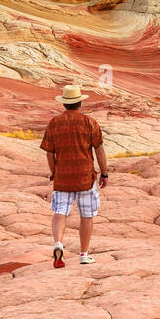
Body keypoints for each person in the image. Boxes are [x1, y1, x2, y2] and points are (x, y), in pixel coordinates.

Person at [40, 82, 108, 268]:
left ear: (64, 103)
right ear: (80, 103)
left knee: (60, 212)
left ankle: (58, 244)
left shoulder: (54, 123)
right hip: (86, 177)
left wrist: (54, 173)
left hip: (63, 178)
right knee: (87, 215)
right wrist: (104, 173)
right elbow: (99, 149)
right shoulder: (89, 122)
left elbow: (49, 152)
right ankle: (84, 254)